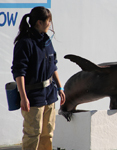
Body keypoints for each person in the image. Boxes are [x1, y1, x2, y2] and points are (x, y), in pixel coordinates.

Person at [11, 6, 65, 150]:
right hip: (33, 97)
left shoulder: (46, 41)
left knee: (48, 134)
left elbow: (53, 65)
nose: (50, 24)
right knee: (32, 134)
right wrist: (23, 97)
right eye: (48, 21)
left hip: (50, 95)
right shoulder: (25, 43)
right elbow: (19, 72)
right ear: (39, 22)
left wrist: (60, 87)